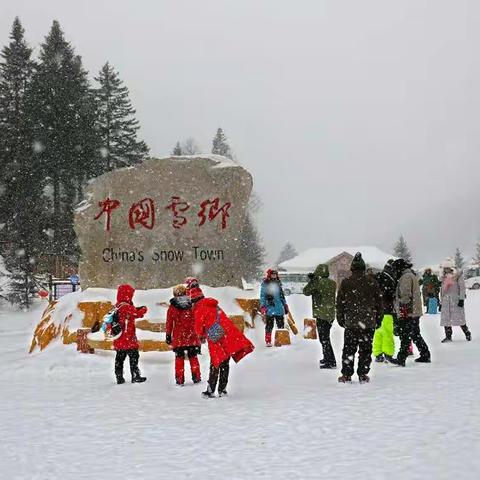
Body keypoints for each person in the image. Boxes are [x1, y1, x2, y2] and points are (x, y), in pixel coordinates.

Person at [188, 281, 254, 398]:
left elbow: (198, 327)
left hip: (215, 333)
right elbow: (221, 317)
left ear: (193, 300)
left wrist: (201, 336)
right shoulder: (214, 305)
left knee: (216, 361)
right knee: (224, 361)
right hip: (226, 331)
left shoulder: (199, 308)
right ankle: (222, 389)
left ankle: (210, 390)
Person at [336, 253, 383, 383]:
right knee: (366, 350)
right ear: (363, 268)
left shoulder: (346, 283)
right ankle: (363, 373)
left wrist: (340, 318)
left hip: (351, 323)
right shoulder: (372, 282)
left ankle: (346, 374)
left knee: (349, 350)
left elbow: (340, 302)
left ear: (352, 269)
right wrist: (379, 319)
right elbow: (379, 303)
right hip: (368, 323)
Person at [391, 259, 431, 366]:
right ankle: (425, 354)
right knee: (415, 334)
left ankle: (401, 358)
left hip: (408, 312)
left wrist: (403, 310)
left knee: (405, 336)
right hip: (414, 311)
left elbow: (405, 295)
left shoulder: (406, 277)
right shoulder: (410, 275)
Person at [166, 284, 201, 385]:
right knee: (193, 357)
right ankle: (196, 377)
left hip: (179, 337)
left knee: (179, 358)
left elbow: (169, 323)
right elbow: (196, 320)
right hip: (192, 335)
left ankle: (179, 379)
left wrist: (168, 335)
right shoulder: (191, 304)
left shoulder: (172, 306)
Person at [303, 264, 337, 369]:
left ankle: (330, 361)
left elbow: (306, 291)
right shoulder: (333, 283)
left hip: (322, 315)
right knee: (326, 337)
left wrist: (312, 280)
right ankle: (328, 358)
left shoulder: (317, 283)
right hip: (330, 314)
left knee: (324, 339)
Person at [113, 284, 148, 384]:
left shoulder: (117, 306)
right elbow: (138, 314)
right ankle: (135, 376)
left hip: (119, 338)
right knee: (134, 358)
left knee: (119, 359)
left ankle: (119, 377)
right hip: (128, 339)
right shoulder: (127, 307)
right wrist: (144, 309)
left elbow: (131, 312)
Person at [439, 259, 472, 342]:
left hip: (456, 300)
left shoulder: (458, 276)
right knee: (446, 320)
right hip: (446, 301)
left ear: (451, 268)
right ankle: (448, 336)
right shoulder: (444, 278)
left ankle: (467, 333)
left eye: (447, 268)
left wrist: (461, 299)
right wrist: (441, 303)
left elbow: (462, 288)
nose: (446, 270)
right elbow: (442, 291)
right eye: (445, 268)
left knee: (460, 319)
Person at [372, 260, 398, 363]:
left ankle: (378, 354)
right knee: (387, 333)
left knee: (378, 333)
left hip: (376, 311)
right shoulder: (389, 280)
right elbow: (391, 295)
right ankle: (388, 353)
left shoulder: (377, 277)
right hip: (387, 310)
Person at [260, 269, 289, 347]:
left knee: (281, 325)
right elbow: (262, 296)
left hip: (279, 308)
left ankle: (280, 340)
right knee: (269, 326)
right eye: (273, 274)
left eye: (275, 274)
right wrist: (262, 306)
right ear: (269, 275)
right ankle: (268, 341)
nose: (274, 276)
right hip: (270, 308)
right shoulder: (265, 284)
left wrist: (285, 305)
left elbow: (281, 296)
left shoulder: (278, 283)